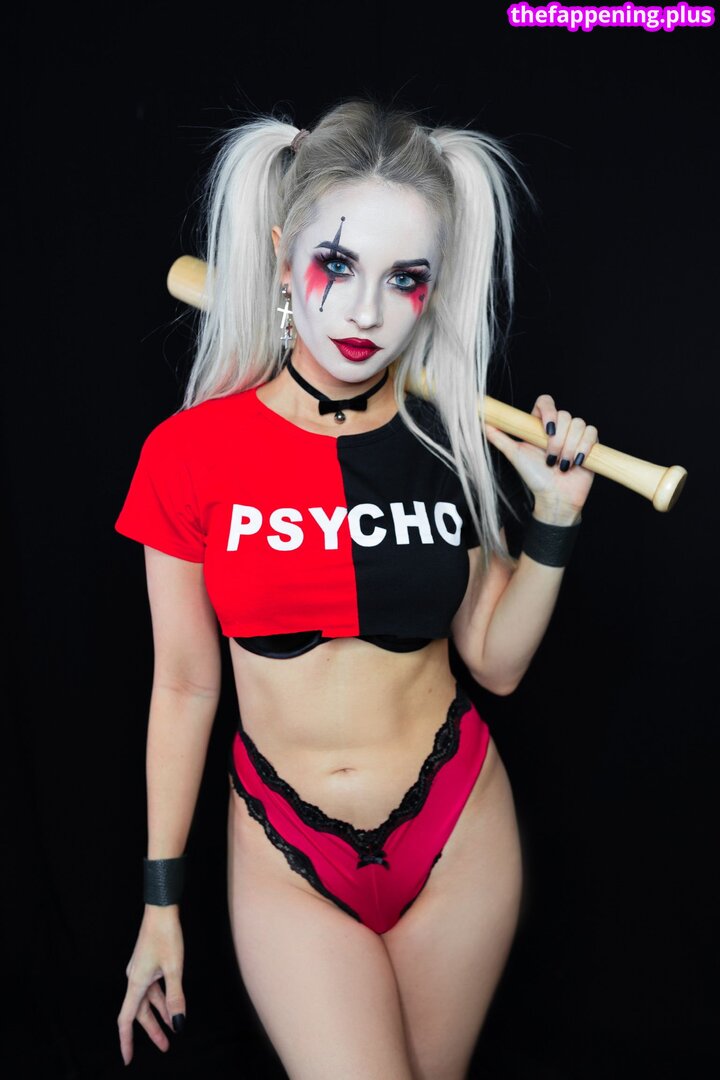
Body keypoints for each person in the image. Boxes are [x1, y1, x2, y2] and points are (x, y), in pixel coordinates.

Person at [115, 100, 598, 1079]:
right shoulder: (190, 452)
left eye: (404, 278)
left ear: (434, 288)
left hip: (457, 827)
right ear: (281, 255)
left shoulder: (447, 444)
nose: (366, 313)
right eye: (336, 265)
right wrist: (160, 901)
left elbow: (498, 664)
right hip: (289, 846)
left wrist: (553, 518)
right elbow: (185, 685)